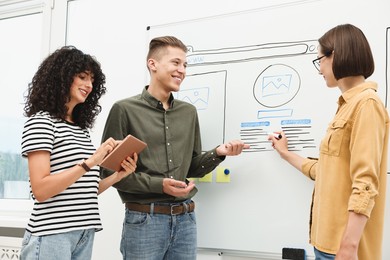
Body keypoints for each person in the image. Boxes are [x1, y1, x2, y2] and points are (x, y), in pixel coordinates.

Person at [100, 35, 249, 260]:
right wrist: (161, 186)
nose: (182, 70)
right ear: (153, 64)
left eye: (185, 65)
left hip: (185, 220)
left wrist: (219, 153)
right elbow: (110, 173)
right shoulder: (124, 109)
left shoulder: (188, 112)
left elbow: (192, 168)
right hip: (144, 222)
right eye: (176, 63)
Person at [268, 24, 388, 260]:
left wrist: (349, 247)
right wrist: (286, 153)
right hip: (326, 244)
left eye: (319, 60)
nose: (319, 69)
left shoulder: (367, 104)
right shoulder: (347, 106)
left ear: (336, 55)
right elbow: (326, 172)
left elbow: (365, 183)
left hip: (343, 250)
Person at [20, 46, 138, 260]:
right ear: (61, 78)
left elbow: (83, 190)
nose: (89, 85)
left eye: (92, 80)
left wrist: (117, 176)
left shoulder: (79, 129)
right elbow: (41, 189)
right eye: (82, 77)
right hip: (51, 235)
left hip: (84, 233)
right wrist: (91, 161)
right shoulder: (41, 122)